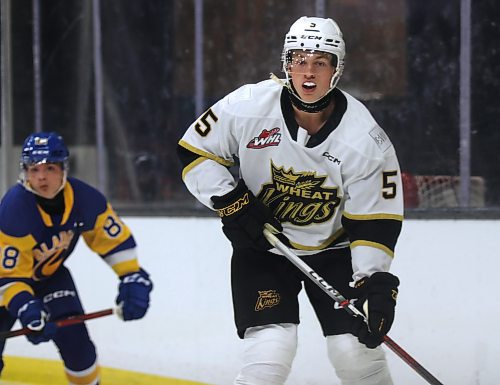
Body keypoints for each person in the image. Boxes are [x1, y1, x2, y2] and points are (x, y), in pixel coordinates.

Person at [177, 15, 403, 385]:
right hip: (263, 243)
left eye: (320, 62)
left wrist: (374, 282)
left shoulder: (364, 138)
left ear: (337, 70)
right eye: (300, 60)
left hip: (334, 251)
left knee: (354, 353)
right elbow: (194, 151)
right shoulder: (247, 106)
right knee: (270, 349)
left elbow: (375, 217)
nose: (308, 72)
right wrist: (233, 201)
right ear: (286, 65)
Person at [0, 132, 153, 385]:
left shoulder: (85, 200)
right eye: (33, 168)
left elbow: (114, 241)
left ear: (64, 169)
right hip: (5, 285)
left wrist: (132, 276)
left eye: (49, 168)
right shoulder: (14, 210)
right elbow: (9, 276)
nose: (40, 177)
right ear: (24, 171)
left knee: (78, 347)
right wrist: (26, 307)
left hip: (50, 278)